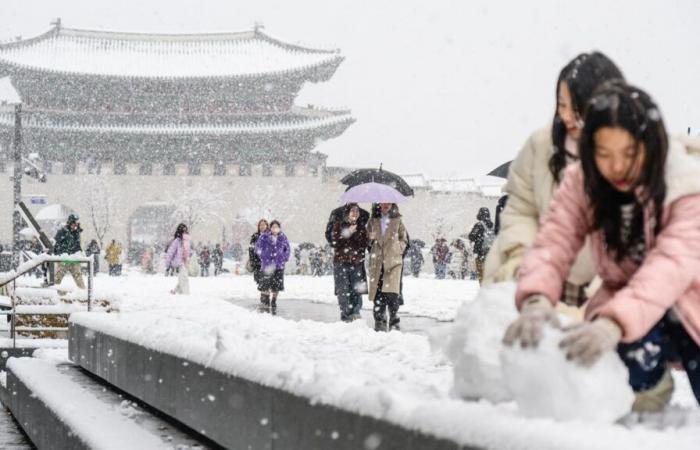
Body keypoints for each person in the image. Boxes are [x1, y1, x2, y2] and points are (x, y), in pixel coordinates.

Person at [503, 81, 700, 411]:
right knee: (629, 362)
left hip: (692, 302)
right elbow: (555, 240)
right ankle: (647, 390)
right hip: (630, 304)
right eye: (604, 154)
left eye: (629, 153)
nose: (617, 167)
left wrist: (613, 323)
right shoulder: (584, 181)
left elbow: (670, 267)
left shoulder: (686, 184)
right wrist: (536, 299)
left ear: (651, 146)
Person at [485, 52, 624, 307]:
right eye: (562, 105)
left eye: (578, 106)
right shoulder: (541, 147)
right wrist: (521, 261)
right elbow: (520, 211)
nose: (568, 116)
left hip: (608, 287)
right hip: (544, 275)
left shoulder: (630, 154)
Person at [367, 203, 408, 331]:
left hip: (393, 261)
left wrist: (398, 248)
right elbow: (366, 240)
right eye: (383, 201)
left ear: (392, 204)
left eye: (388, 202)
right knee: (378, 293)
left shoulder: (398, 220)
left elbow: (404, 239)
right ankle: (379, 319)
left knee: (392, 293)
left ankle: (394, 320)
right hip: (377, 261)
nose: (385, 204)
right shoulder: (373, 220)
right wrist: (369, 238)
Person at [331, 203, 369, 321]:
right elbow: (335, 242)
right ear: (347, 213)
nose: (355, 213)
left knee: (356, 290)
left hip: (356, 263)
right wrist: (348, 232)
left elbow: (363, 245)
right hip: (341, 263)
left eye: (357, 211)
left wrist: (369, 238)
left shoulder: (361, 227)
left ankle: (355, 313)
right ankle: (346, 314)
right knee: (343, 290)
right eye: (352, 211)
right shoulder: (339, 225)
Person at [255, 220, 290, 309]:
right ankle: (266, 301)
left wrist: (284, 258)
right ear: (270, 228)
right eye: (273, 227)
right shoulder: (264, 236)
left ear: (279, 228)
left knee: (276, 286)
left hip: (279, 265)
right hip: (267, 265)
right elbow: (258, 248)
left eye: (276, 227)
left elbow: (287, 249)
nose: (275, 229)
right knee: (266, 284)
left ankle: (274, 300)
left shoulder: (283, 237)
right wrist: (263, 256)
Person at [53, 214, 86, 289]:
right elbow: (56, 244)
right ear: (70, 223)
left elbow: (77, 245)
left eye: (76, 224)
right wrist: (61, 253)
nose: (75, 226)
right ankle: (52, 292)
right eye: (74, 224)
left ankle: (84, 293)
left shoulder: (77, 233)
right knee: (57, 278)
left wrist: (79, 253)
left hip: (74, 259)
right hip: (64, 259)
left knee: (78, 277)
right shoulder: (62, 232)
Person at [468, 207, 494, 283]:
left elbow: (471, 237)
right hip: (491, 254)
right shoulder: (493, 225)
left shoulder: (479, 225)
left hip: (480, 253)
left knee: (481, 274)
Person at [166, 224, 190, 294]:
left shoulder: (187, 240)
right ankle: (186, 293)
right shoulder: (177, 241)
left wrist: (189, 256)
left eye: (186, 230)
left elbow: (187, 251)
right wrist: (168, 264)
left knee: (182, 278)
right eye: (183, 230)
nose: (185, 231)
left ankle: (175, 291)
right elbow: (170, 252)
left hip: (185, 262)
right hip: (179, 262)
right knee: (184, 278)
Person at [248, 219, 269, 301]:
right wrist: (253, 261)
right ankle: (264, 297)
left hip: (268, 263)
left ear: (267, 226)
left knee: (267, 281)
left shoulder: (270, 236)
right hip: (258, 263)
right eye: (260, 225)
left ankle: (265, 298)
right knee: (261, 282)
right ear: (258, 226)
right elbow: (251, 249)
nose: (262, 226)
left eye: (264, 224)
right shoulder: (255, 236)